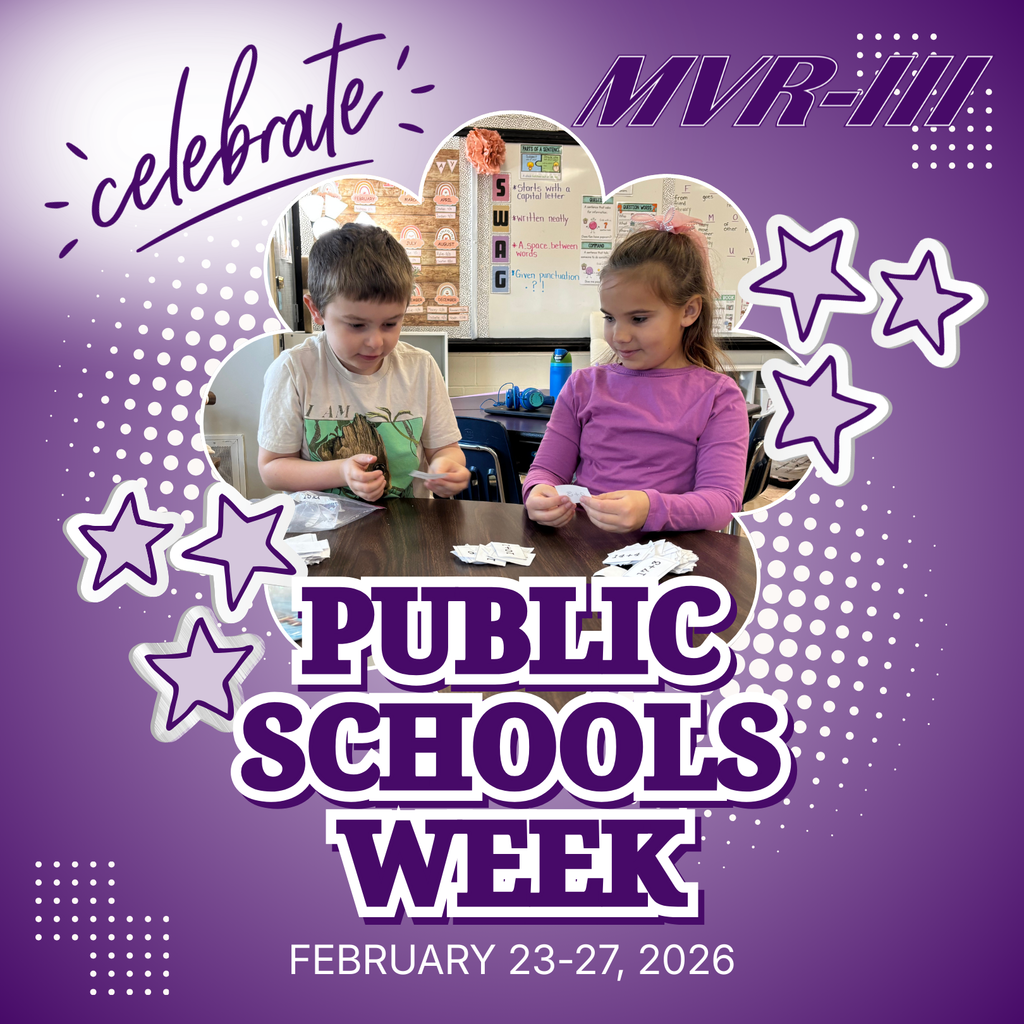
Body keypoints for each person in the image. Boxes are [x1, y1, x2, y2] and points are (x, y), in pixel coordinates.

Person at [523, 211, 748, 533]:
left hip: (672, 557)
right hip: (583, 550)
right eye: (610, 318)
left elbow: (722, 502)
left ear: (689, 311)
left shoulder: (718, 396)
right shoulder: (583, 385)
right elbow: (546, 470)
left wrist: (650, 509)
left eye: (639, 319)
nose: (619, 336)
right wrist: (537, 493)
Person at [257, 223, 470, 501]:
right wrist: (342, 471)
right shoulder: (294, 370)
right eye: (357, 325)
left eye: (390, 323)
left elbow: (446, 450)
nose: (375, 342)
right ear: (316, 310)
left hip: (406, 529)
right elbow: (272, 468)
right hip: (323, 531)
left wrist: (447, 466)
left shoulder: (421, 367)